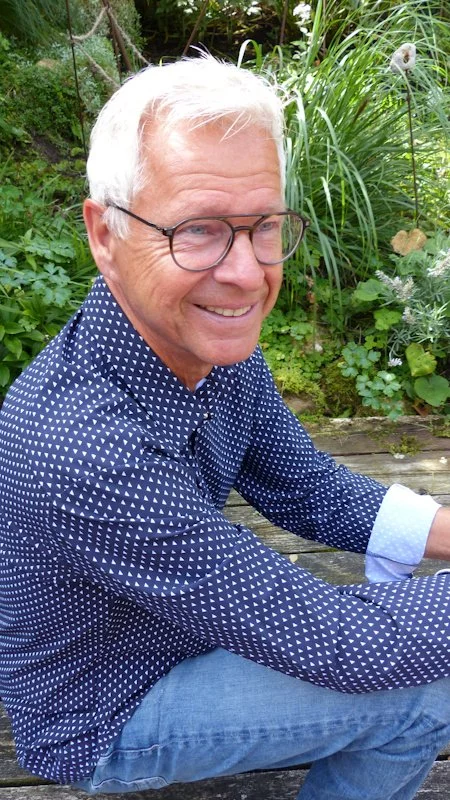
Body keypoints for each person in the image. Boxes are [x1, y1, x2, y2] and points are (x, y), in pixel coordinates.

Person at [0, 54, 450, 800]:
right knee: (425, 693)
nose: (246, 272)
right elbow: (348, 646)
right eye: (199, 230)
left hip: (184, 626)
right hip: (104, 707)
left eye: (264, 226)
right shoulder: (83, 447)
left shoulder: (203, 333)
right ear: (104, 234)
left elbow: (304, 487)